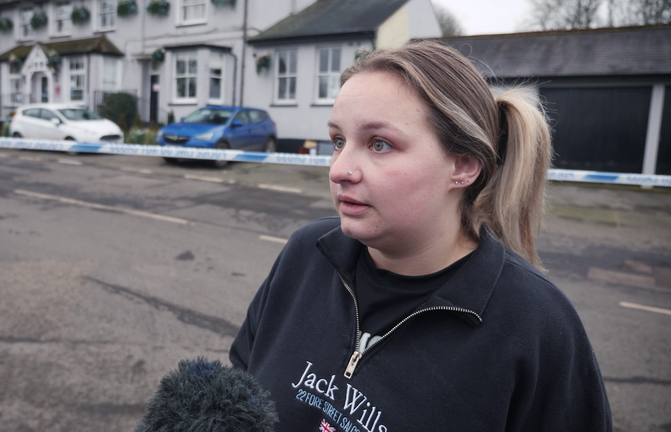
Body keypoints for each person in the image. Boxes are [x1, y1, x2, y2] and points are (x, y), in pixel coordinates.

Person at [230, 41, 612, 431]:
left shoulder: (538, 326)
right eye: (338, 142)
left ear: (463, 166)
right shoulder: (305, 254)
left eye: (380, 144)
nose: (339, 170)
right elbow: (240, 386)